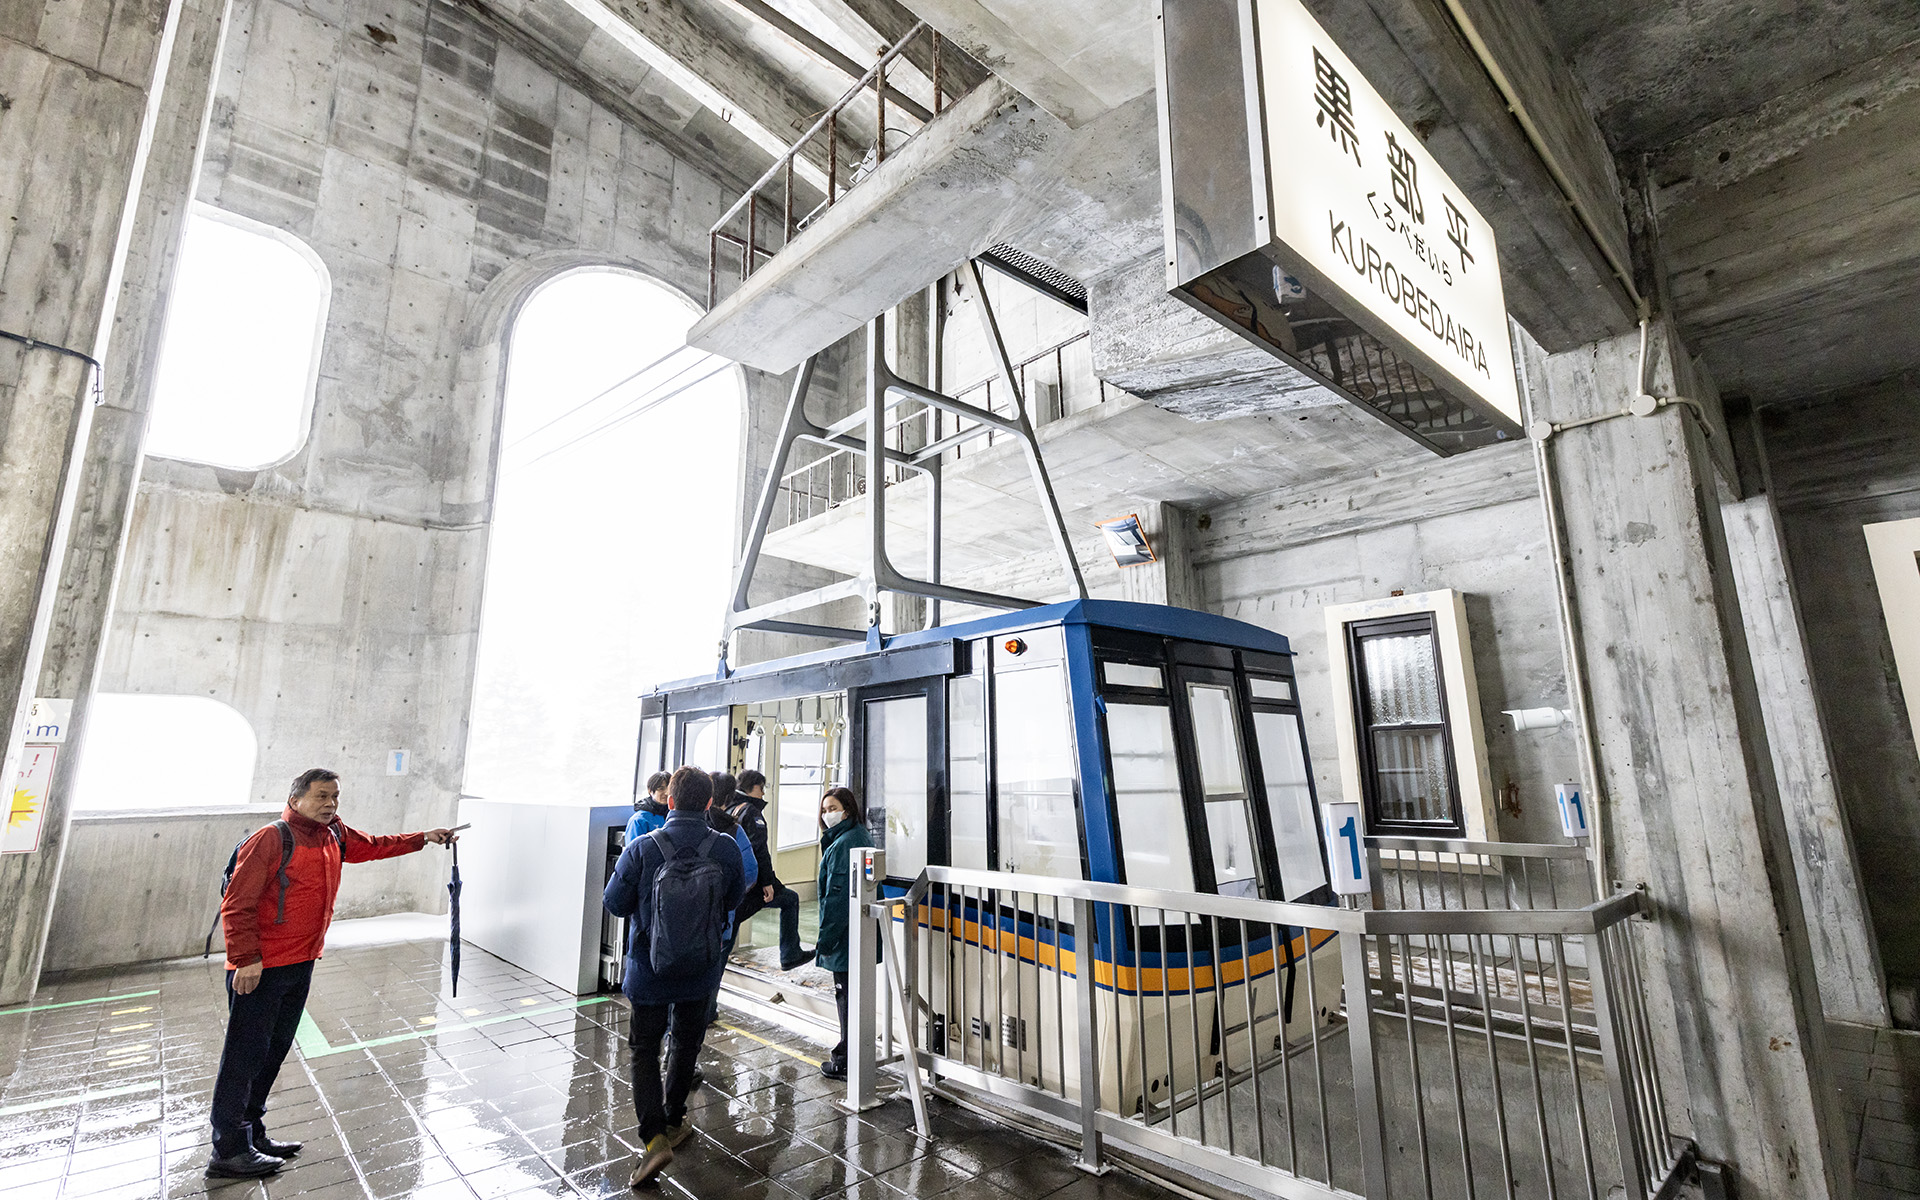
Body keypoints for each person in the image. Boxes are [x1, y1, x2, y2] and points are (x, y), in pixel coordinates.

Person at [207, 769, 457, 1179]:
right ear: (297, 797)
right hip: (261, 967)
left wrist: (423, 837)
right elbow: (237, 904)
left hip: (300, 961)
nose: (330, 804)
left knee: (272, 1052)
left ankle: (252, 1134)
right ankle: (228, 1150)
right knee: (243, 1057)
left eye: (335, 797)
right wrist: (247, 959)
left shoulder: (333, 834)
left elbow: (374, 846)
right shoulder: (272, 838)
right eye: (322, 796)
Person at [603, 767, 747, 1187]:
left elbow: (615, 903)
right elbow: (736, 898)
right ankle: (675, 1118)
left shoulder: (643, 847)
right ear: (708, 804)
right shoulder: (725, 847)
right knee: (687, 1042)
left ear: (669, 800)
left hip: (649, 969)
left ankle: (654, 1140)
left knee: (644, 1049)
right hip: (700, 968)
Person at [814, 785, 873, 1081]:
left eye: (832, 809)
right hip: (859, 933)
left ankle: (846, 1060)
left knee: (846, 998)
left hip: (845, 938)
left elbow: (835, 899)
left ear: (846, 810)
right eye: (824, 811)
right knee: (856, 997)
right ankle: (855, 1055)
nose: (828, 815)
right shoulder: (858, 835)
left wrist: (824, 941)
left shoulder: (843, 844)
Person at [728, 769, 811, 971]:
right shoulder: (750, 812)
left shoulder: (730, 808)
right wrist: (768, 882)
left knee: (732, 920)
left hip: (734, 883)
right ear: (751, 787)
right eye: (761, 788)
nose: (763, 794)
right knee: (790, 899)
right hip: (753, 883)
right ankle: (790, 954)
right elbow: (759, 850)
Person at [625, 771, 671, 842]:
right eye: (661, 789)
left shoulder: (674, 815)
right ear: (650, 791)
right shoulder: (639, 820)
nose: (666, 793)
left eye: (669, 789)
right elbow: (633, 850)